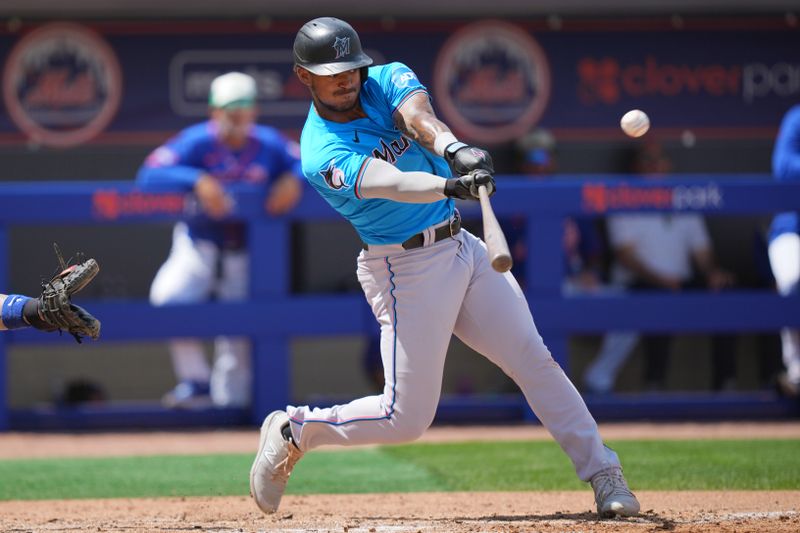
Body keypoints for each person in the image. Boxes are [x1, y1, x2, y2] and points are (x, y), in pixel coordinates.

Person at [249, 17, 640, 519]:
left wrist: (453, 150)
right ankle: (295, 430)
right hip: (404, 268)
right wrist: (447, 185)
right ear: (305, 77)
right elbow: (388, 181)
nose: (347, 79)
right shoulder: (319, 150)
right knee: (404, 418)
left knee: (533, 359)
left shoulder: (386, 78)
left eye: (351, 68)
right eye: (332, 72)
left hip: (463, 245)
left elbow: (418, 118)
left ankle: (605, 472)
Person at [137, 72, 303, 408]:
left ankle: (230, 403)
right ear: (214, 111)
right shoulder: (197, 141)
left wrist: (293, 178)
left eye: (243, 107)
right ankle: (196, 381)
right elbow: (149, 174)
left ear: (254, 110)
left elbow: (309, 163)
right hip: (198, 244)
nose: (237, 115)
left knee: (240, 332)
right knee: (168, 300)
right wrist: (196, 178)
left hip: (247, 251)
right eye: (229, 108)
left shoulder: (268, 143)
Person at [583, 142, 736, 393]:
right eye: (647, 159)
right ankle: (654, 384)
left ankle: (726, 384)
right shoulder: (623, 196)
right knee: (658, 300)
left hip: (679, 282)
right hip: (639, 283)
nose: (655, 164)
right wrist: (661, 280)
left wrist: (712, 273)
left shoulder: (682, 197)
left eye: (660, 158)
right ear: (635, 165)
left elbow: (702, 252)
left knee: (725, 296)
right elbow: (625, 255)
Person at [768, 104, 800, 397]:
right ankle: (797, 371)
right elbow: (784, 167)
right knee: (792, 280)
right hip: (793, 228)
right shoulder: (796, 117)